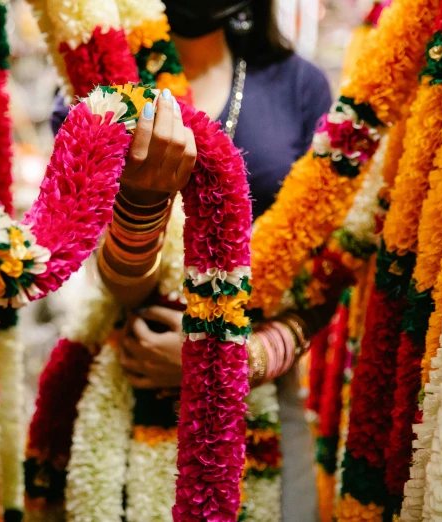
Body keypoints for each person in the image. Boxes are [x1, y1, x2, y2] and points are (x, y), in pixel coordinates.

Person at [44, 0, 333, 519]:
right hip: (127, 390)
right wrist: (142, 206)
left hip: (263, 396)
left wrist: (236, 360)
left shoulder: (299, 86)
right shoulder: (96, 86)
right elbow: (115, 281)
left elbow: (325, 272)